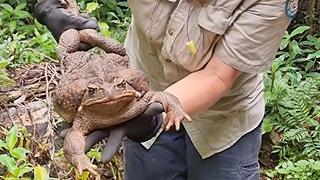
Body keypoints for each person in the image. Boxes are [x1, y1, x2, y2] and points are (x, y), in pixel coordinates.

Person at [33, 0, 295, 179]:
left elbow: (218, 76)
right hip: (140, 82)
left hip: (222, 116)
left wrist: (147, 111)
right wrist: (56, 7)